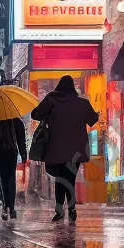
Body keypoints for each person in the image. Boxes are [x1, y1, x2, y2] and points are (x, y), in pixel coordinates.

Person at [30, 75, 99, 223]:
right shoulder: (82, 103)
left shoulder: (52, 100)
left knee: (61, 178)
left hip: (56, 147)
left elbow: (35, 114)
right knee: (70, 178)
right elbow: (93, 119)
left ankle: (60, 210)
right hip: (77, 149)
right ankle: (71, 209)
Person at [0, 117, 27, 220]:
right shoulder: (16, 121)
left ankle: (5, 206)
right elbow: (21, 139)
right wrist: (23, 153)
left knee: (3, 179)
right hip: (11, 152)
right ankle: (10, 207)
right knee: (10, 178)